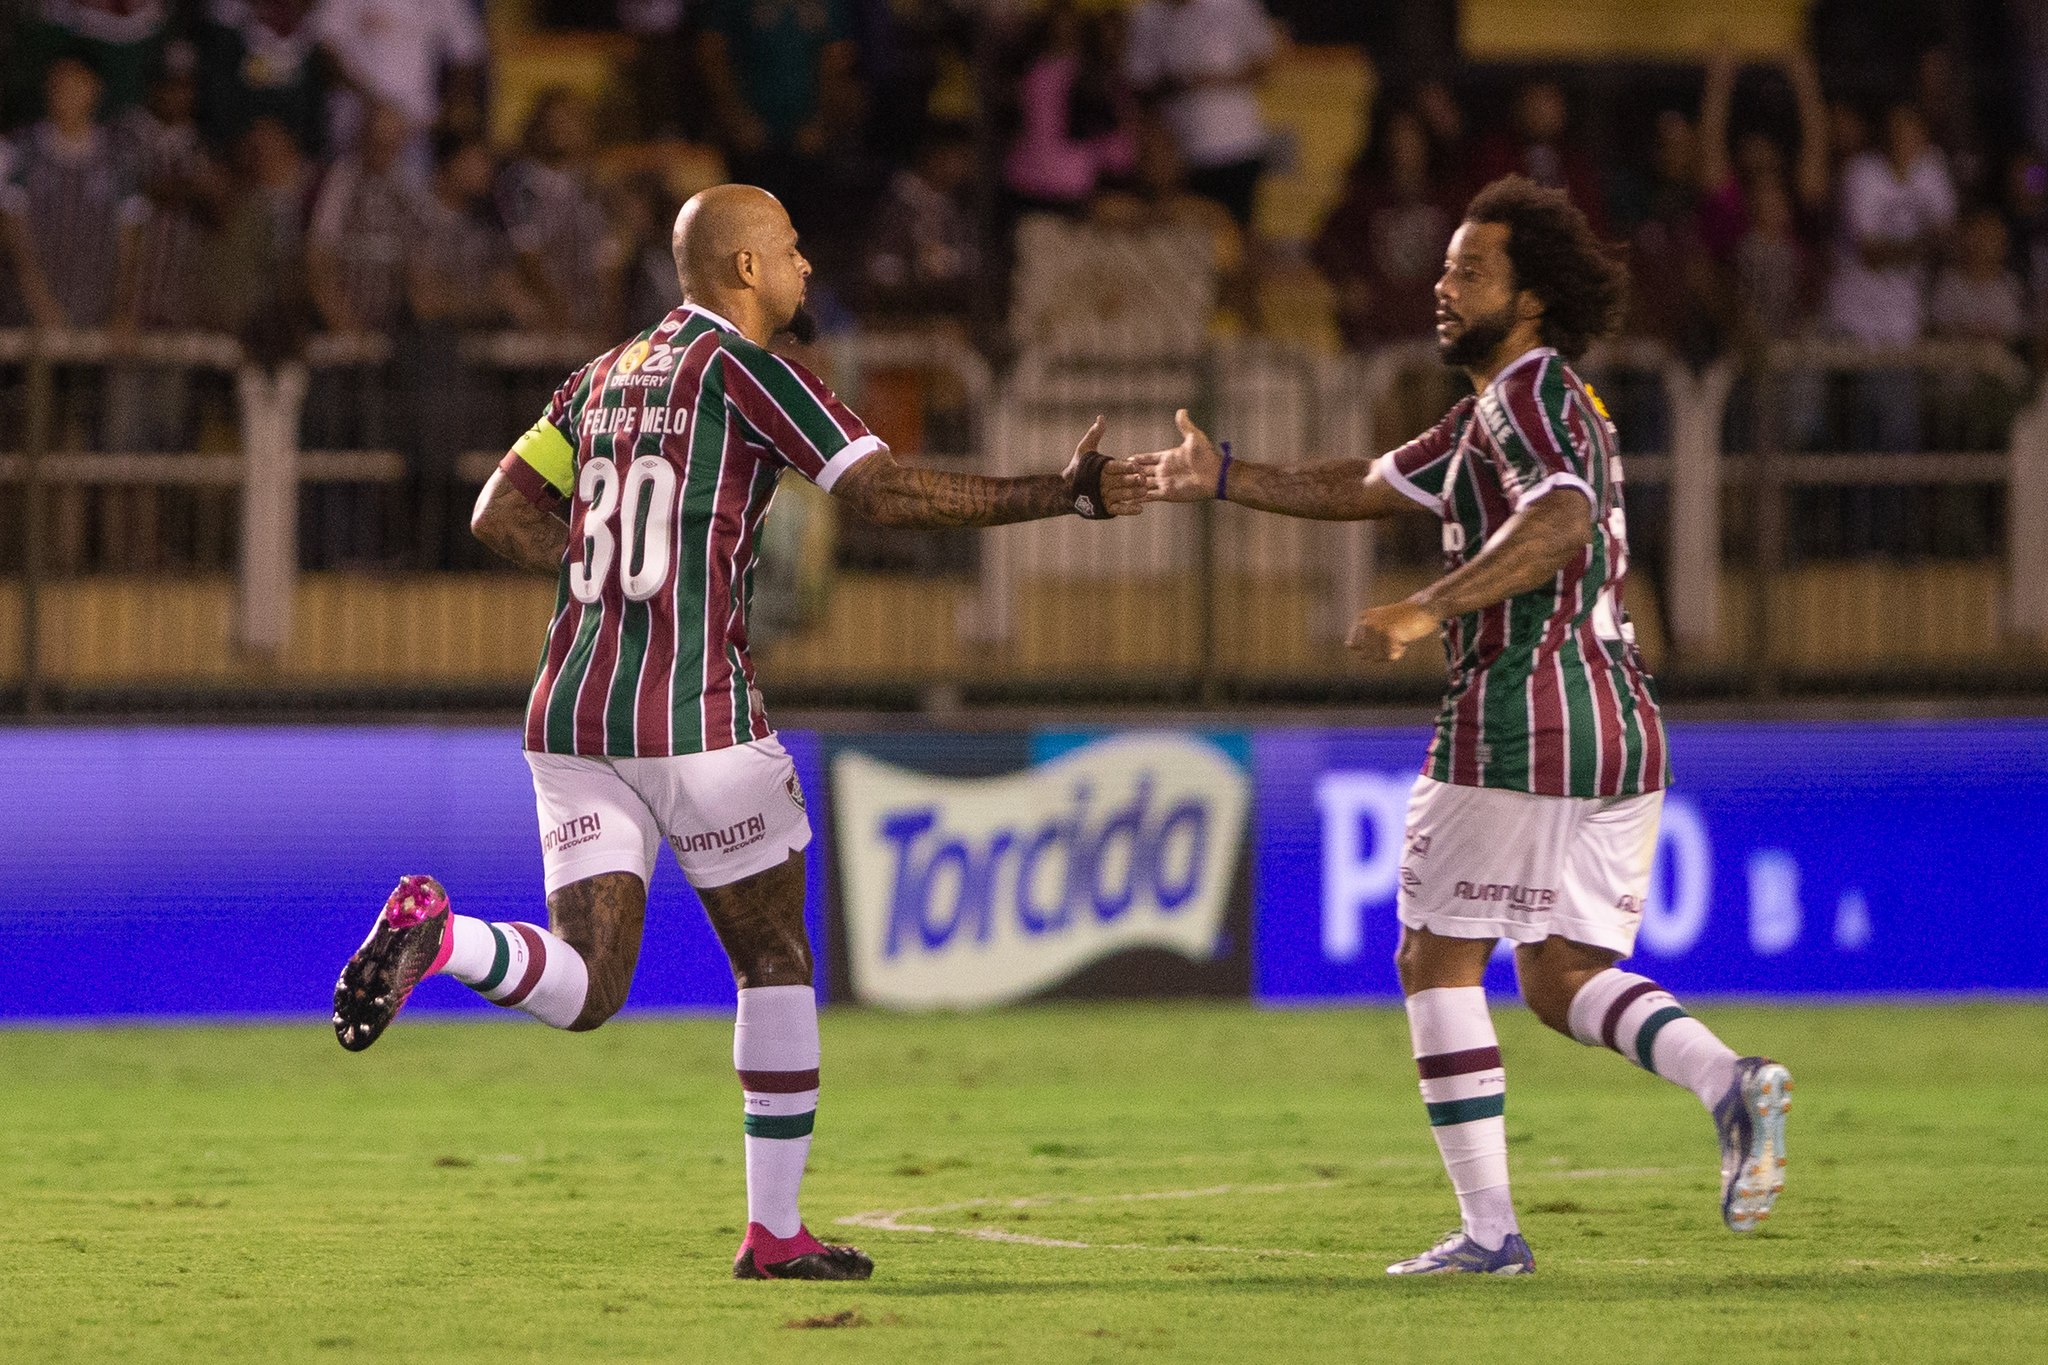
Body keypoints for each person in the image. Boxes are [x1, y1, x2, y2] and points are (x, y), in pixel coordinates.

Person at [330, 183, 1146, 1282]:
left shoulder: (603, 376)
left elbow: (496, 514)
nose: (808, 267)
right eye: (794, 249)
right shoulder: (754, 376)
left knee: (588, 985)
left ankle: (444, 939)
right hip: (697, 719)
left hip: (569, 713)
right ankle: (773, 1233)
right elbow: (888, 495)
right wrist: (1063, 495)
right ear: (745, 268)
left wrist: (611, 581)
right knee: (774, 957)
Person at [1133, 174, 1793, 1276]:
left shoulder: (1530, 397)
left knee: (1432, 959)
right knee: (1557, 973)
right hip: (1618, 722)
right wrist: (1228, 475)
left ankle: (1489, 1233)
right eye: (1441, 267)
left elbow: (1563, 514)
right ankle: (1728, 1082)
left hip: (1518, 711)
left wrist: (1425, 605)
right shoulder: (1502, 407)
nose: (1440, 288)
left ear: (1527, 299)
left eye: (1468, 271)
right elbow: (1370, 481)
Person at [1123, 0, 1275, 229]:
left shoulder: (1233, 6)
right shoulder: (1147, 16)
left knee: (1237, 233)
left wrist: (1214, 80)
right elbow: (1137, 81)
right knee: (1183, 235)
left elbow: (1265, 62)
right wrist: (1176, 83)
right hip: (1179, 155)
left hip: (1236, 144)